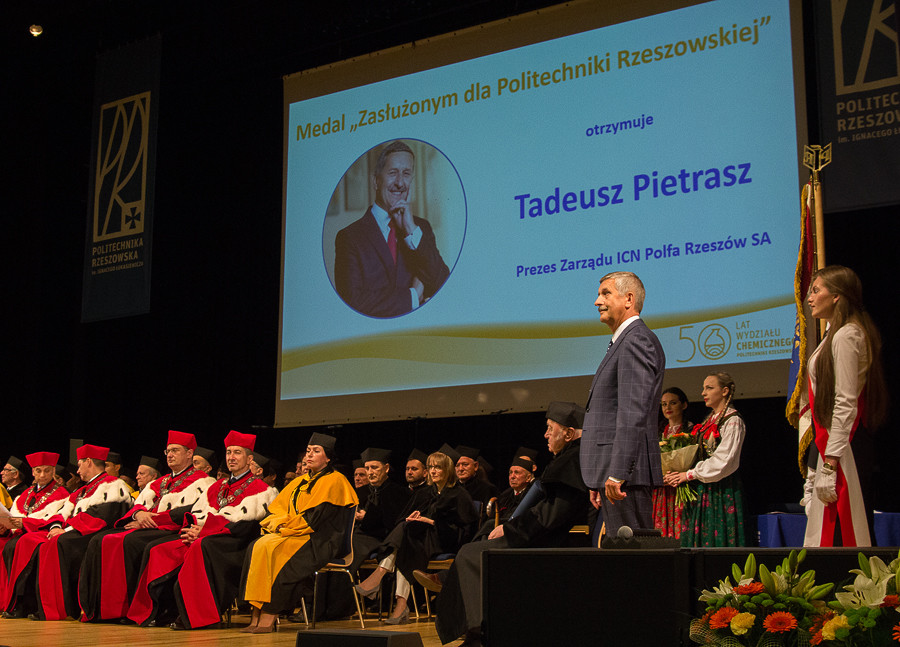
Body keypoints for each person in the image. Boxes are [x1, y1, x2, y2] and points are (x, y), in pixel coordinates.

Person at [433, 402, 590, 647]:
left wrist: (509, 528)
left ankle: (478, 633)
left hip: (548, 540)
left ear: (568, 433)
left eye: (550, 429)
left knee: (471, 554)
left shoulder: (572, 461)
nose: (545, 435)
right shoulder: (569, 458)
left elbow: (551, 515)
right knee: (473, 549)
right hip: (541, 533)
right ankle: (476, 630)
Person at [124, 430, 276, 629]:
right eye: (229, 452)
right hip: (206, 536)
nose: (231, 457)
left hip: (234, 545)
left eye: (237, 453)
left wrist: (203, 532)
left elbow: (243, 527)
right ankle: (161, 611)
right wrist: (193, 529)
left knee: (201, 546)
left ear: (249, 459)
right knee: (159, 548)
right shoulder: (217, 486)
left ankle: (199, 615)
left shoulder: (262, 490)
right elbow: (197, 513)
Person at [78, 430, 213, 623]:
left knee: (130, 542)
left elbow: (190, 511)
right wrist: (139, 514)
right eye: (168, 451)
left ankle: (129, 609)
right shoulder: (159, 482)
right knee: (100, 539)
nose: (170, 455)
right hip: (146, 526)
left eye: (175, 450)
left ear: (189, 453)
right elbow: (139, 504)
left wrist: (154, 520)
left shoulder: (204, 481)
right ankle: (101, 609)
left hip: (171, 529)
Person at [800, 266, 886, 547]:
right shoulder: (835, 334)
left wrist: (830, 463)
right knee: (830, 534)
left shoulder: (847, 335)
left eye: (816, 290)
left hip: (844, 447)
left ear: (837, 296)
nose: (810, 298)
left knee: (846, 535)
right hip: (833, 445)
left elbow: (846, 402)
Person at [238, 432, 357, 633]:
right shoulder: (299, 482)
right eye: (308, 451)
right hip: (293, 533)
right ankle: (255, 615)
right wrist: (278, 526)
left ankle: (268, 617)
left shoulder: (335, 481)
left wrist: (285, 528)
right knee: (257, 546)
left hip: (320, 539)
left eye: (316, 451)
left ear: (328, 458)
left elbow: (314, 519)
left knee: (277, 553)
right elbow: (276, 510)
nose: (309, 455)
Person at [581, 271, 665, 538]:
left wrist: (617, 473)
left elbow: (633, 412)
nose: (597, 301)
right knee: (624, 555)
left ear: (629, 299)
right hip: (615, 475)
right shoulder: (624, 341)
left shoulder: (635, 340)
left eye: (605, 293)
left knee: (634, 555)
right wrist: (601, 476)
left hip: (626, 476)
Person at [354, 451, 477, 625]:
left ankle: (381, 574)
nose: (433, 471)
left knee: (406, 536)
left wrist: (431, 521)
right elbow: (401, 519)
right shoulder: (424, 493)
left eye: (438, 467)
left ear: (448, 469)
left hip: (444, 540)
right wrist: (412, 517)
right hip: (420, 540)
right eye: (431, 467)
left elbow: (463, 530)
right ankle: (401, 604)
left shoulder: (458, 494)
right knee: (406, 533)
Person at [334, 140, 450, 318]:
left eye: (406, 174)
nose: (400, 183)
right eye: (393, 173)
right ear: (376, 181)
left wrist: (411, 229)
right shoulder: (349, 237)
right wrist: (413, 296)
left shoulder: (421, 229)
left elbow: (444, 285)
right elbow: (352, 301)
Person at [33, 444, 134, 620]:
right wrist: (56, 527)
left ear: (88, 462)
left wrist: (66, 530)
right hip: (79, 530)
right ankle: (52, 607)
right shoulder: (82, 490)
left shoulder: (113, 484)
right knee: (49, 542)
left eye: (79, 465)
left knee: (61, 542)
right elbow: (62, 512)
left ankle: (63, 607)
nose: (78, 471)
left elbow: (103, 517)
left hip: (97, 532)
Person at [664, 373, 747, 547]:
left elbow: (724, 460)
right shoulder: (710, 420)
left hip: (721, 489)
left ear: (724, 391)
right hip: (704, 488)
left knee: (717, 539)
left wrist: (689, 474)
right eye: (703, 388)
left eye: (709, 388)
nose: (703, 393)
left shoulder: (733, 421)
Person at [0, 451, 69, 618]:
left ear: (53, 471)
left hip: (43, 534)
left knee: (20, 545)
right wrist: (6, 527)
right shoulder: (26, 494)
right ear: (32, 472)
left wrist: (26, 523)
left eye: (47, 470)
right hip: (23, 533)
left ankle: (25, 604)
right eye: (38, 471)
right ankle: (8, 601)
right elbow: (15, 516)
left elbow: (56, 519)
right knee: (6, 544)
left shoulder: (62, 494)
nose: (42, 475)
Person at [652, 387, 695, 538]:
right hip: (662, 488)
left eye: (673, 403)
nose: (667, 407)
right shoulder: (657, 433)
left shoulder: (692, 430)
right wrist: (659, 477)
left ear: (684, 405)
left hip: (682, 485)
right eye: (664, 404)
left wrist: (680, 474)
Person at [454, 446, 498, 514]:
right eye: (457, 465)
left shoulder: (488, 489)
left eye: (465, 465)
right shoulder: (451, 488)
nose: (460, 469)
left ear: (475, 466)